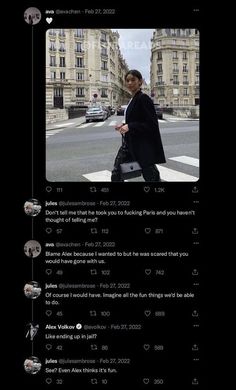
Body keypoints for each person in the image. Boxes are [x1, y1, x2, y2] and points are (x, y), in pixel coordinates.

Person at [111, 70, 166, 181]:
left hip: (141, 146)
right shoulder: (133, 99)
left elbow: (151, 124)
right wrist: (124, 125)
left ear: (140, 82)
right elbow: (136, 119)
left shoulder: (143, 98)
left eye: (133, 80)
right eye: (127, 80)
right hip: (129, 144)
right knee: (116, 173)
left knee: (151, 176)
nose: (130, 83)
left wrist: (130, 126)